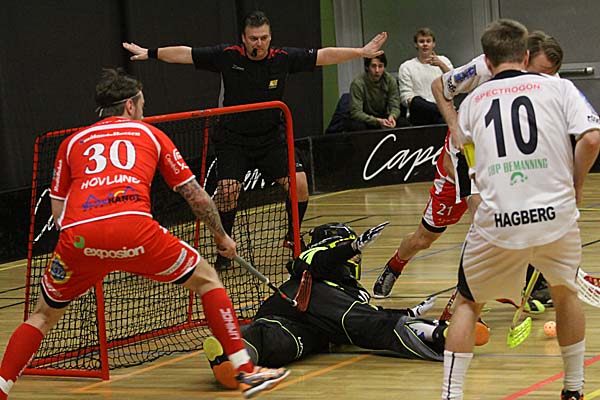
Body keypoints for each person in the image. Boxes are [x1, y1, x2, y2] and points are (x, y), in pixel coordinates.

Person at [0, 68, 290, 400]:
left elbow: (57, 212)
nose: (143, 111)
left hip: (78, 238)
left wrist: (90, 247)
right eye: (142, 104)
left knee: (42, 315)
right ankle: (245, 371)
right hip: (134, 229)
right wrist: (222, 237)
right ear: (130, 105)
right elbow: (195, 196)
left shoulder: (71, 143)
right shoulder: (149, 133)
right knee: (208, 279)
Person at [122, 10, 388, 268]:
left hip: (271, 140)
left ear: (270, 38)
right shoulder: (228, 56)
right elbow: (186, 53)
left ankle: (292, 237)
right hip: (233, 140)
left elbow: (323, 55)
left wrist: (361, 52)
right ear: (243, 38)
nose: (258, 43)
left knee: (300, 185)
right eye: (253, 38)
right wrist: (150, 53)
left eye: (263, 38)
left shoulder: (282, 58)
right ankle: (224, 247)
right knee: (228, 193)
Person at [441, 19, 600, 400]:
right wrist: (576, 185)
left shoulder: (472, 102)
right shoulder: (559, 87)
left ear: (488, 61)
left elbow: (458, 162)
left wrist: (479, 204)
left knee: (467, 304)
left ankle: (451, 395)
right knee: (565, 294)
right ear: (526, 56)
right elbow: (592, 139)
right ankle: (574, 390)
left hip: (499, 220)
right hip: (556, 217)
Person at [372, 30, 565, 305]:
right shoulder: (485, 66)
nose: (543, 80)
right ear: (524, 58)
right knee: (426, 237)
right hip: (464, 156)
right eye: (540, 72)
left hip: (502, 160)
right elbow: (439, 86)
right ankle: (396, 265)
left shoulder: (549, 81)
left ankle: (515, 286)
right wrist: (454, 126)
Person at [200, 222, 489, 390]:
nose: (356, 259)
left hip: (304, 325)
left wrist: (408, 312)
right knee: (368, 324)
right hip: (307, 298)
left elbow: (370, 313)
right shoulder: (314, 260)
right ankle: (439, 333)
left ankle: (232, 358)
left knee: (274, 341)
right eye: (352, 252)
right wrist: (351, 247)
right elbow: (315, 264)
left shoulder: (352, 289)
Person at [398, 27, 452, 126]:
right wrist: (429, 107)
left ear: (433, 44)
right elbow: (406, 98)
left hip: (442, 112)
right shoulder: (406, 67)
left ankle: (441, 112)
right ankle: (440, 111)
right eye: (421, 41)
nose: (425, 44)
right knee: (416, 101)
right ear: (416, 44)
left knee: (443, 117)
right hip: (420, 114)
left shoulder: (444, 61)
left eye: (428, 41)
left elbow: (455, 85)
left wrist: (441, 65)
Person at [346, 54, 406, 131]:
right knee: (356, 126)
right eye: (373, 66)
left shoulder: (390, 80)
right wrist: (376, 121)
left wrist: (392, 117)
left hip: (384, 116)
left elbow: (395, 106)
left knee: (403, 123)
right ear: (367, 67)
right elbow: (356, 112)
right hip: (365, 118)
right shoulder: (358, 83)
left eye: (380, 66)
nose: (377, 70)